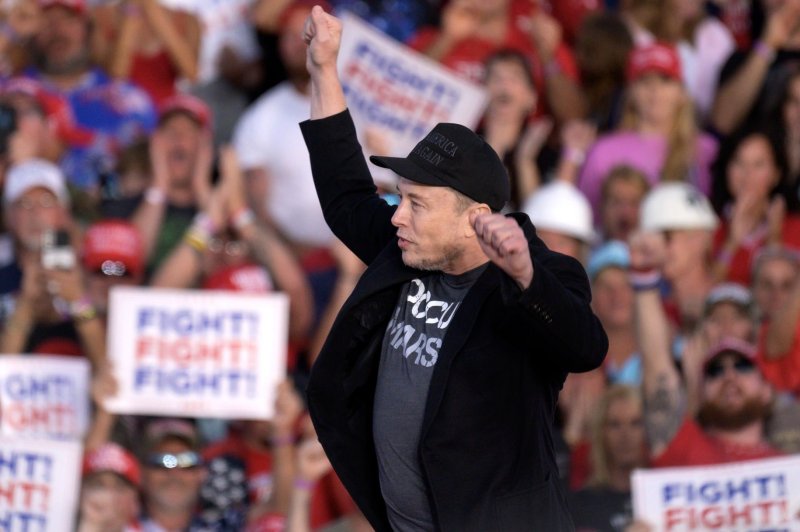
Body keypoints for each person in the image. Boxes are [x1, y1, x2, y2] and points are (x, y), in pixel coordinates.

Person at [299, 6, 608, 531]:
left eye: (417, 203)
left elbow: (586, 346)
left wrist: (525, 276)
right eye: (401, 198)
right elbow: (344, 191)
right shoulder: (409, 247)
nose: (397, 215)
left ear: (475, 219)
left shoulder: (539, 277)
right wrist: (324, 69)